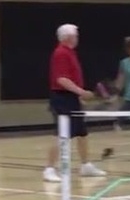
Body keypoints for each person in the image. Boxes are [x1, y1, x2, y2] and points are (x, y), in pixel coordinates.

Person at [42, 24, 106, 183]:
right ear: (67, 37)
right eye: (75, 35)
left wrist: (78, 96)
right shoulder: (60, 53)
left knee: (81, 133)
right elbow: (61, 79)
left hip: (71, 98)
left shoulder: (70, 53)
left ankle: (86, 165)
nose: (77, 38)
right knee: (62, 134)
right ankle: (49, 169)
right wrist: (81, 92)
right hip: (62, 98)